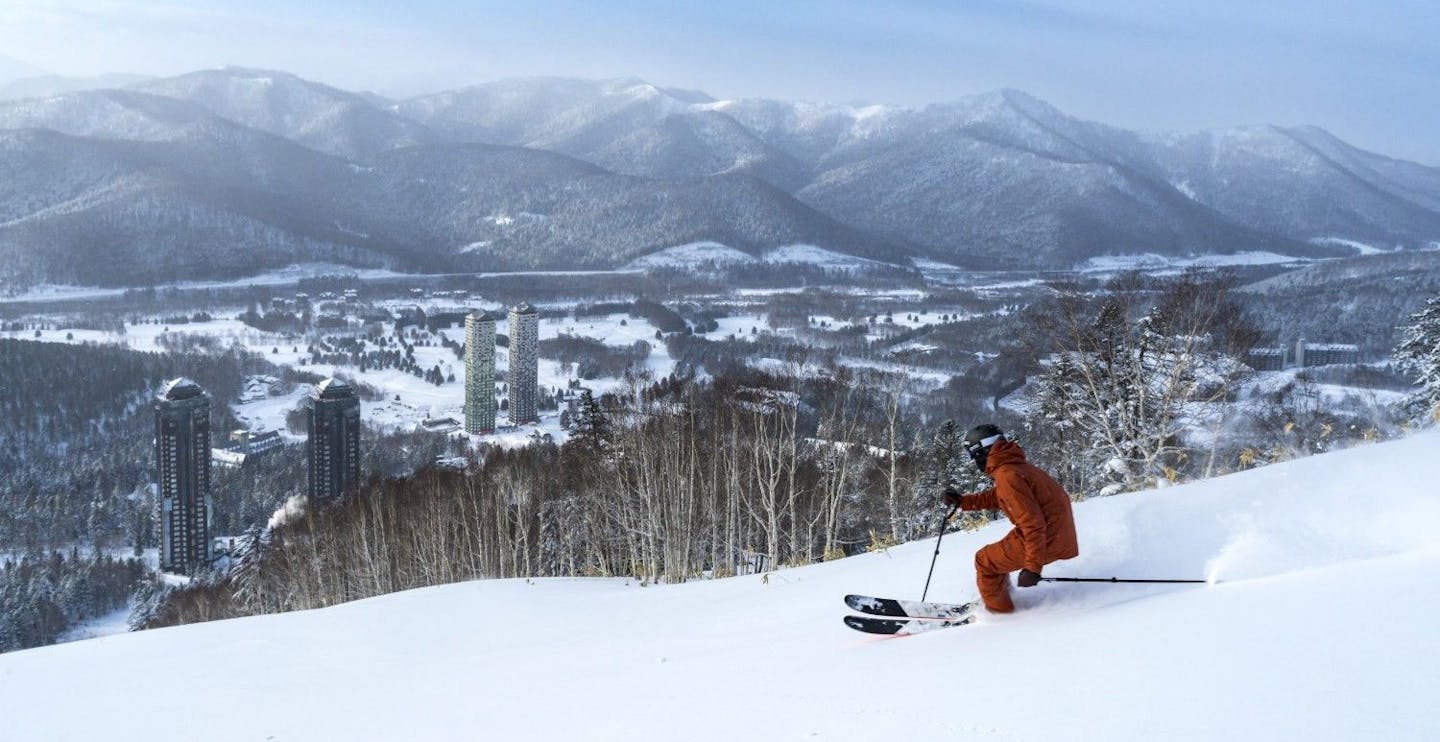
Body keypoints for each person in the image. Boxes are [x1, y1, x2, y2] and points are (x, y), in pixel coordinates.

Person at [942, 424, 1078, 613]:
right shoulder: (1015, 468)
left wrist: (1032, 568)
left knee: (985, 560)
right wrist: (962, 502)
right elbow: (1001, 496)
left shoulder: (1007, 475)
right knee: (993, 558)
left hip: (1046, 539)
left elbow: (1033, 524)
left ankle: (1000, 615)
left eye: (972, 455)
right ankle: (1002, 597)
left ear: (981, 451)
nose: (973, 461)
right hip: (1055, 535)